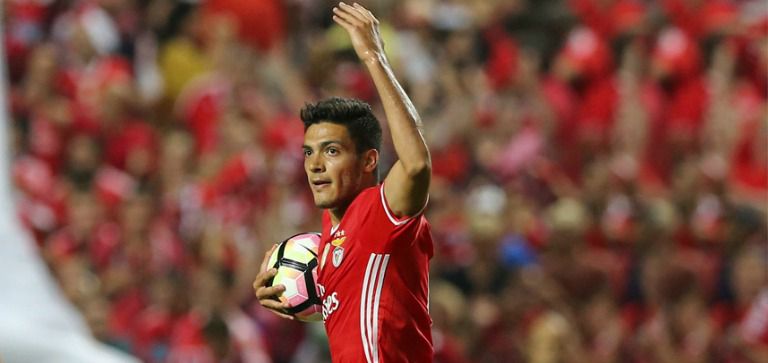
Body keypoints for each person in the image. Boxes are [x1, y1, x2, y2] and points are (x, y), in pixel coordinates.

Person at [252, 2, 433, 362]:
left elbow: (415, 166)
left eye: (331, 151)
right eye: (308, 153)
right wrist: (286, 295)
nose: (315, 165)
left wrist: (374, 58)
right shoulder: (333, 234)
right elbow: (362, 305)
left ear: (369, 160)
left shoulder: (380, 212)